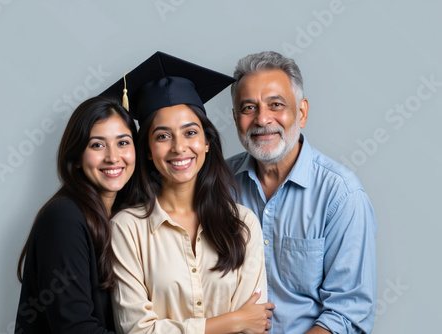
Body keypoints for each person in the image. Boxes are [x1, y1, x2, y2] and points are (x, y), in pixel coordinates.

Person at [101, 51, 275, 334]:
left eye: (191, 132)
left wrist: (243, 322)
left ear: (207, 142)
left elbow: (253, 327)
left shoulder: (242, 224)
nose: (179, 147)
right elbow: (137, 331)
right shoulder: (127, 229)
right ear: (146, 149)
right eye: (163, 136)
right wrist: (233, 321)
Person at [226, 51, 377, 334]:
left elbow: (348, 313)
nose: (262, 119)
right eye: (249, 108)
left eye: (276, 104)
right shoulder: (219, 185)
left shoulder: (341, 195)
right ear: (236, 119)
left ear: (302, 112)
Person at [15, 96, 139, 333]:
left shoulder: (126, 215)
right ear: (77, 158)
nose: (113, 157)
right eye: (97, 145)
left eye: (123, 143)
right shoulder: (64, 218)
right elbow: (76, 328)